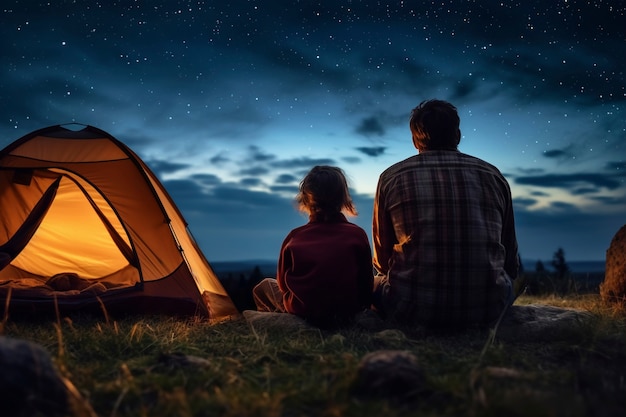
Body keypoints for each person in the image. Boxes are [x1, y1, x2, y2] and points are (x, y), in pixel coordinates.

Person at [372, 99, 519, 328]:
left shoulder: (391, 178)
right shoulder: (493, 175)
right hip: (488, 309)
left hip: (411, 309)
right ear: (457, 135)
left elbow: (382, 260)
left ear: (414, 140)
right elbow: (510, 258)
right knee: (511, 284)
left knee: (374, 283)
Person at [253, 165, 374, 327]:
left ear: (306, 199)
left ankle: (281, 324)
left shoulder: (294, 237)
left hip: (304, 310)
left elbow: (282, 285)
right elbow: (366, 284)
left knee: (263, 287)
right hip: (347, 310)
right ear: (343, 199)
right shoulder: (357, 234)